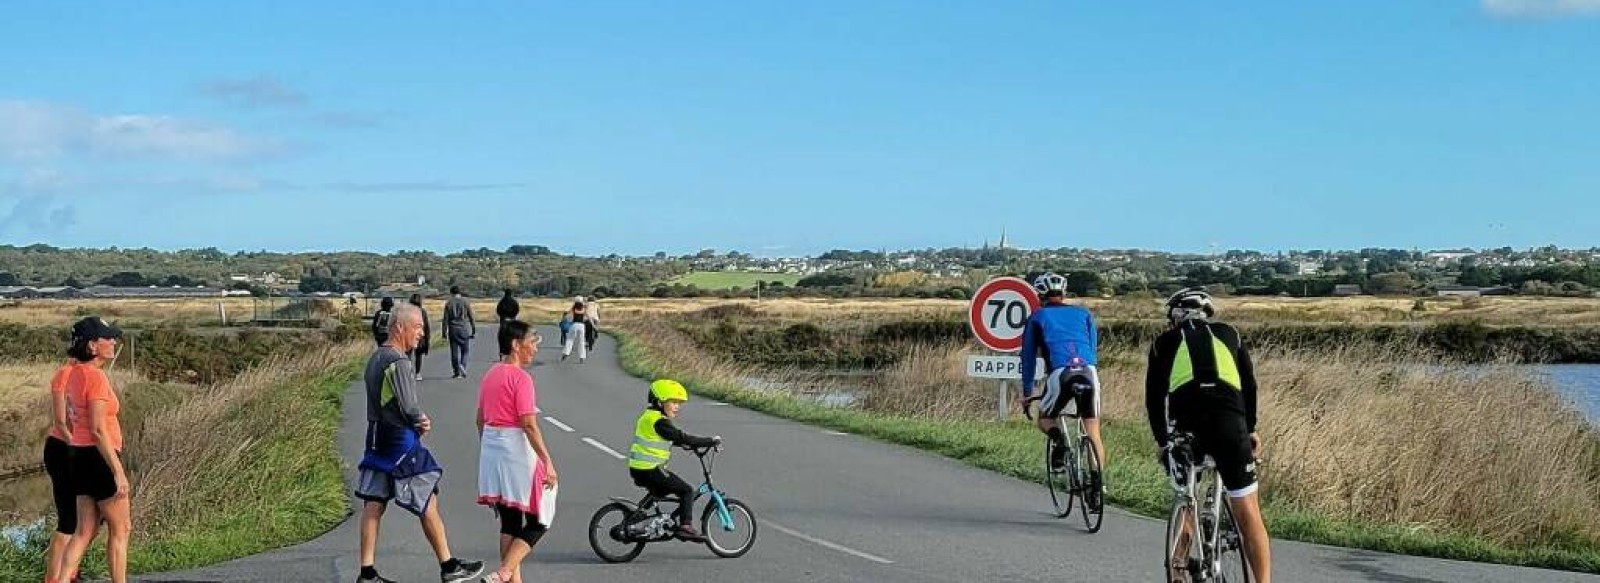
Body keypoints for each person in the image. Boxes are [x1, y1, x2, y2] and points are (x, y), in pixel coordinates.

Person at [1145, 287, 1271, 583]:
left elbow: (1154, 399)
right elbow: (1249, 386)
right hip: (1230, 422)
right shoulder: (1230, 334)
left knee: (1185, 497)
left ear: (1174, 316)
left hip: (1187, 425)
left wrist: (1163, 442)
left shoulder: (1163, 342)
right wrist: (1250, 428)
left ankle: (1178, 572)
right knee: (1248, 511)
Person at [354, 303, 483, 583]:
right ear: (399, 327)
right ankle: (449, 567)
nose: (421, 334)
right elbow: (408, 403)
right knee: (428, 497)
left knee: (374, 503)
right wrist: (421, 420)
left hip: (375, 436)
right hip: (399, 440)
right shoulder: (398, 361)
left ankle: (367, 572)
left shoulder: (376, 358)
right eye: (418, 327)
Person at [475, 321, 557, 583]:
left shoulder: (490, 374)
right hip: (515, 450)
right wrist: (548, 462)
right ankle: (504, 572)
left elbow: (479, 419)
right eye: (532, 342)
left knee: (510, 521)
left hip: (491, 447)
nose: (535, 348)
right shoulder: (521, 378)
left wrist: (490, 448)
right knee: (540, 518)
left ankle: (511, 579)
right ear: (515, 345)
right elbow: (529, 425)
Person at [54, 317, 130, 583]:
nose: (113, 342)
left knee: (85, 530)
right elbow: (98, 430)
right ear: (92, 346)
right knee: (121, 528)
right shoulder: (95, 377)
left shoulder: (74, 373)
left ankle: (61, 580)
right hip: (99, 457)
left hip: (78, 454)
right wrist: (118, 471)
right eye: (106, 338)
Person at [1018, 272, 1105, 481]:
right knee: (1093, 431)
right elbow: (1092, 350)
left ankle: (1060, 443)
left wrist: (1028, 393)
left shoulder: (1037, 317)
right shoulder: (1084, 314)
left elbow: (1028, 358)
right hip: (1089, 371)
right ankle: (1097, 486)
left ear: (1040, 295)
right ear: (1063, 293)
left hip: (1060, 372)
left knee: (1045, 419)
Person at [627, 379, 721, 542]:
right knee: (686, 491)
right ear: (659, 402)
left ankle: (639, 515)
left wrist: (686, 445)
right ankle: (685, 526)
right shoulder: (659, 422)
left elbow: (670, 439)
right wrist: (709, 441)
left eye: (679, 403)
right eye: (673, 402)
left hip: (640, 468)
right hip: (650, 468)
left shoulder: (649, 417)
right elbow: (681, 436)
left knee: (660, 491)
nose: (677, 407)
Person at [41, 358, 81, 583]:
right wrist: (78, 447)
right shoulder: (65, 373)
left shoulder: (88, 373)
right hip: (64, 448)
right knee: (68, 519)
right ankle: (53, 579)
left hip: (81, 449)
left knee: (86, 518)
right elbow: (60, 422)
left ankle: (71, 572)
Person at [443, 286, 476, 378]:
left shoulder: (449, 303)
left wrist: (444, 332)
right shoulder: (465, 302)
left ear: (451, 293)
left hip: (453, 329)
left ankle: (456, 371)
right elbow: (471, 317)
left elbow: (445, 319)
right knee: (465, 350)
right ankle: (463, 365)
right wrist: (473, 329)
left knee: (454, 351)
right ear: (460, 292)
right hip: (463, 328)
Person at [409, 293, 432, 382]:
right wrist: (427, 340)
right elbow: (426, 326)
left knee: (408, 355)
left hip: (409, 335)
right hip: (420, 336)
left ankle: (408, 372)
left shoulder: (407, 312)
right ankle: (418, 373)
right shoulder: (422, 312)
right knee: (418, 355)